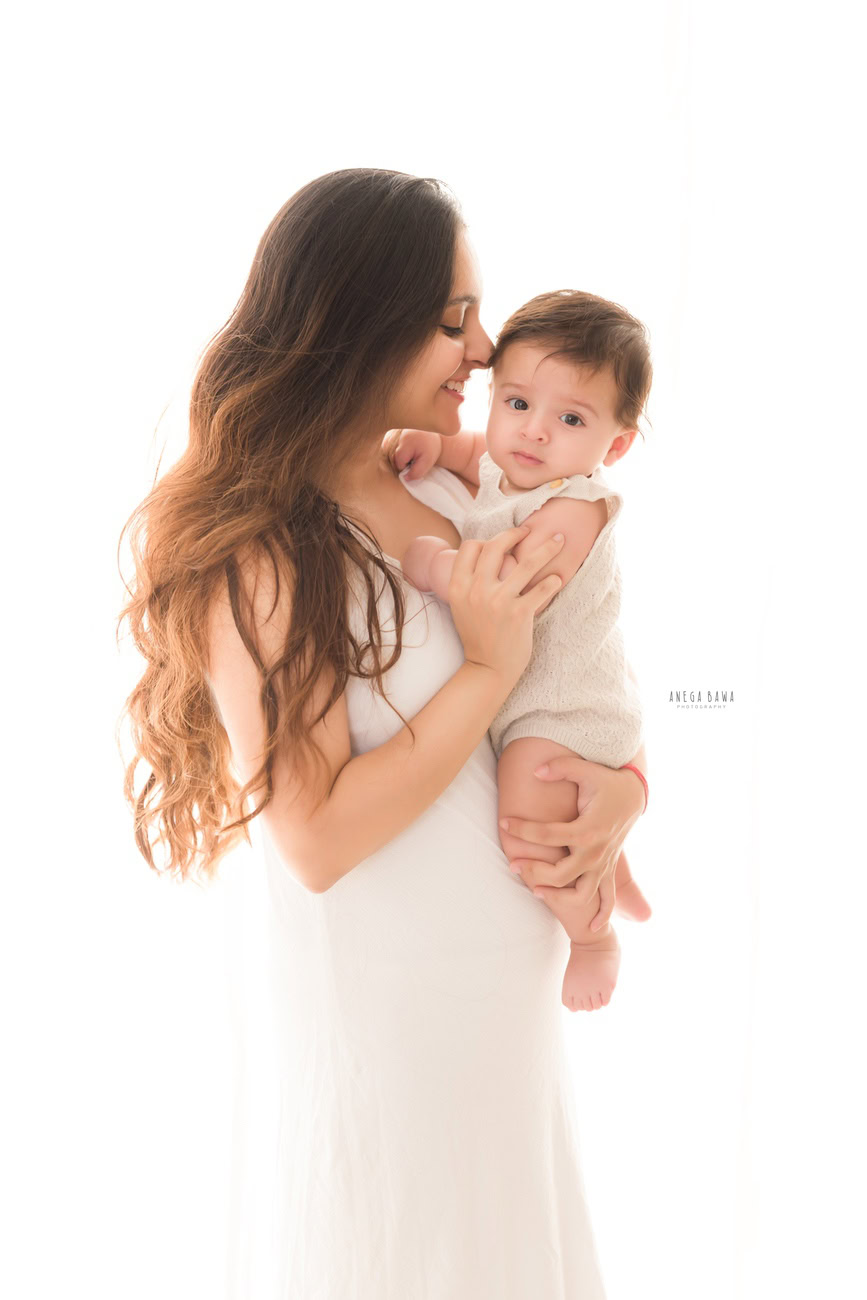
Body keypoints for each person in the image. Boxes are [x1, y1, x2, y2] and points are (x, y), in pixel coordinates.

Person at [117, 167, 647, 1298]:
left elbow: (567, 678)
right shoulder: (270, 549)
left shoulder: (459, 500)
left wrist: (627, 790)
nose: (486, 344)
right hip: (387, 1027)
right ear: (363, 322)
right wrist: (492, 660)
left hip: (493, 1025)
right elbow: (313, 837)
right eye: (456, 316)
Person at [385, 289, 654, 1013]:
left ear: (615, 445)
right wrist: (439, 447)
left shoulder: (574, 507)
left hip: (564, 710)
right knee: (549, 804)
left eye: (570, 419)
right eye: (515, 403)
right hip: (530, 695)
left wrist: (434, 564)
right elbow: (479, 455)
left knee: (529, 821)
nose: (532, 433)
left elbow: (507, 583)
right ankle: (615, 870)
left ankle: (589, 933)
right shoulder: (514, 465)